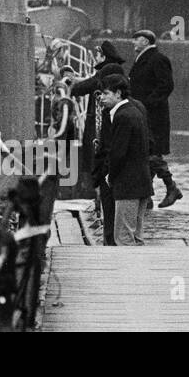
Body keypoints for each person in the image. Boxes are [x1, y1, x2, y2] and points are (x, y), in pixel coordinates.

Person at [74, 40, 127, 244]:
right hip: (105, 141)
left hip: (101, 139)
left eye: (97, 54)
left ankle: (109, 234)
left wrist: (70, 87)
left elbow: (88, 85)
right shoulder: (112, 72)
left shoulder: (106, 74)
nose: (95, 58)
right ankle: (107, 226)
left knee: (102, 178)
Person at [129, 29, 183, 208]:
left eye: (136, 40)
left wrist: (146, 104)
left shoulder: (158, 59)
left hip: (153, 116)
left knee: (150, 153)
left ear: (145, 41)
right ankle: (147, 197)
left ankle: (171, 188)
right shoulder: (143, 59)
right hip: (144, 114)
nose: (133, 43)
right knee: (146, 153)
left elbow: (166, 85)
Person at [100, 74, 151, 246]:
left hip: (128, 185)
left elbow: (118, 153)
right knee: (136, 237)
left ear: (118, 94)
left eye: (106, 93)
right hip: (141, 182)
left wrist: (110, 176)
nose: (101, 98)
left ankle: (127, 272)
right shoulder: (135, 111)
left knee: (123, 238)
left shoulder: (122, 116)